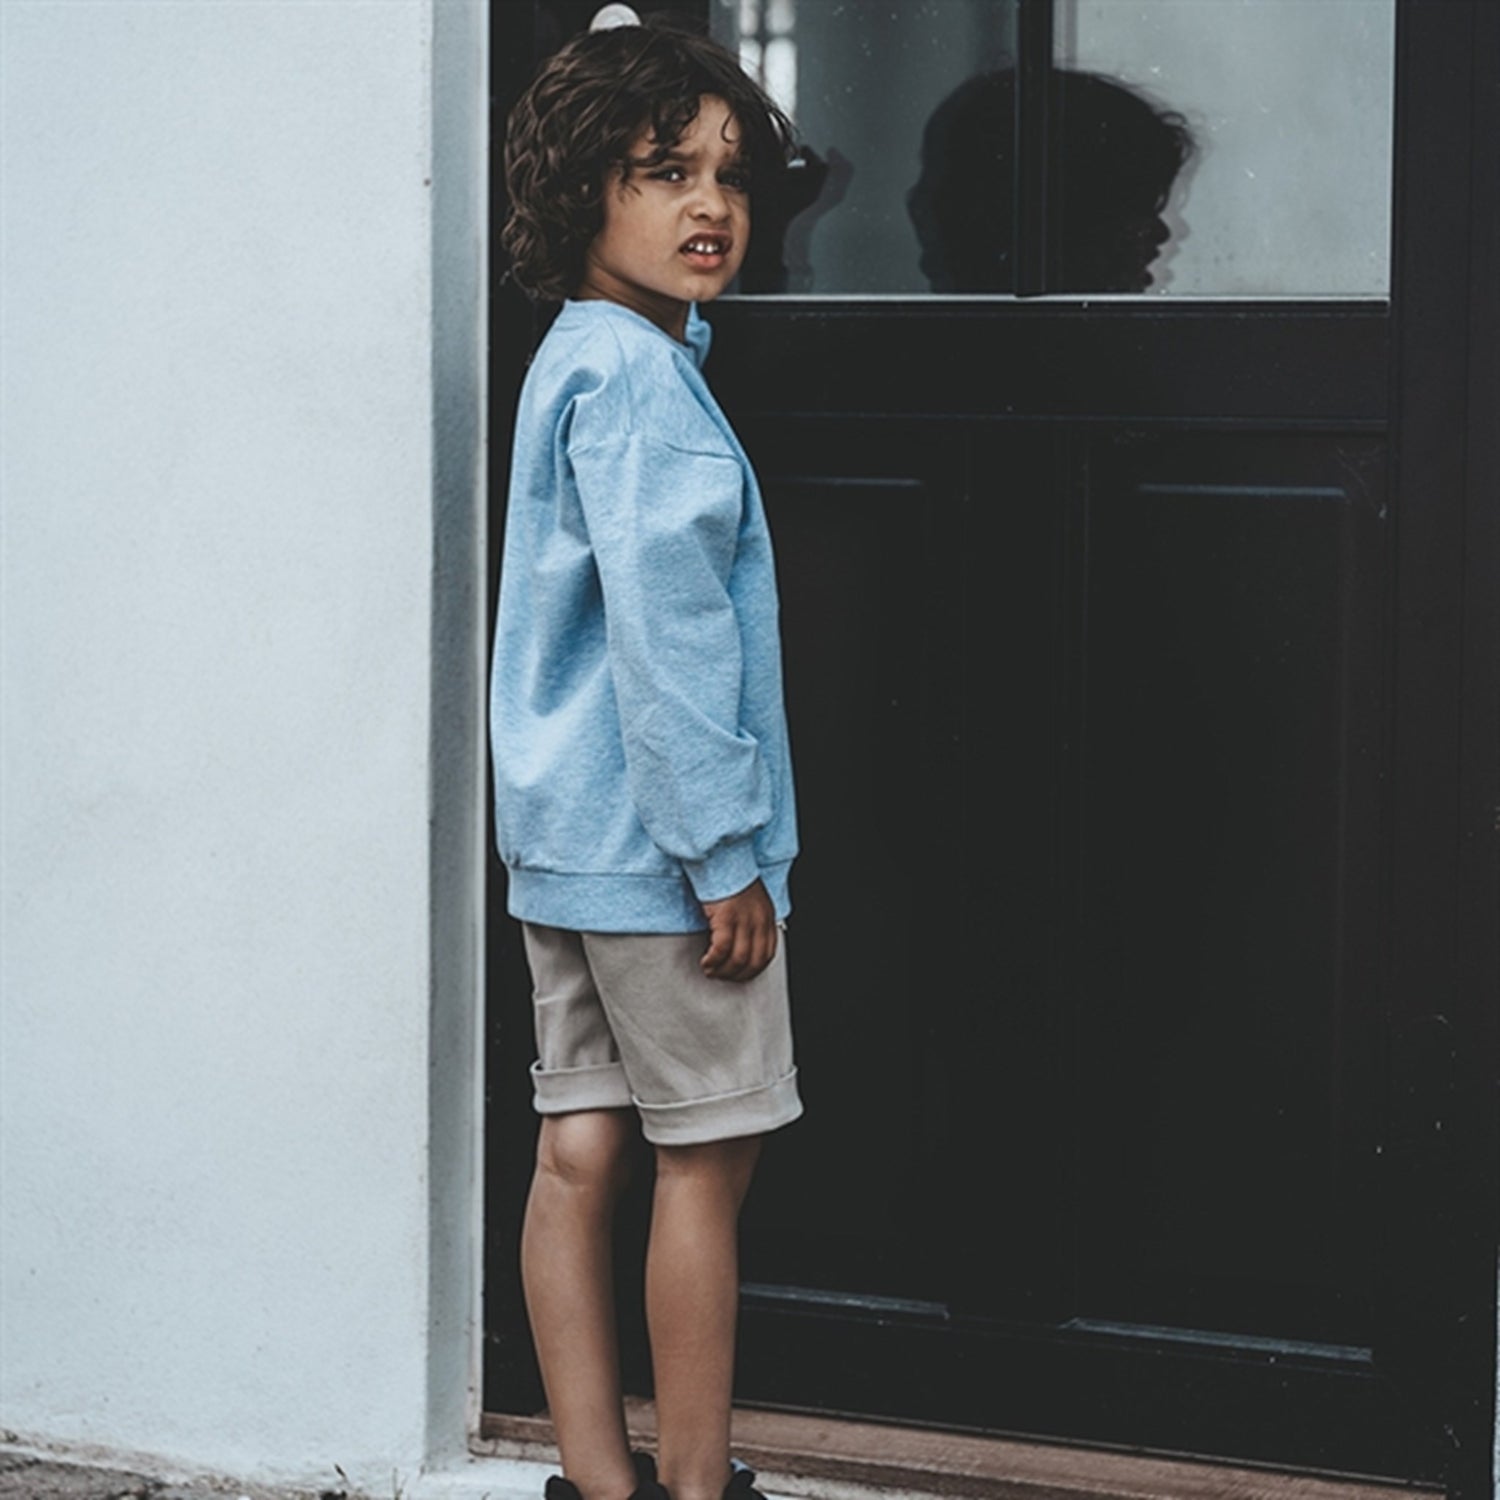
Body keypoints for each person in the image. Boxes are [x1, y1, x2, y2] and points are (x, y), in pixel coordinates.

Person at [490, 16, 802, 1500]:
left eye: (731, 174)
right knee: (708, 1157)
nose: (710, 205)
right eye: (665, 171)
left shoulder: (578, 356)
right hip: (667, 858)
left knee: (578, 1149)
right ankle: (691, 1487)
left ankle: (599, 1485)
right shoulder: (645, 389)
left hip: (567, 842)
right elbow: (671, 646)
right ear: (581, 189)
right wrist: (723, 853)